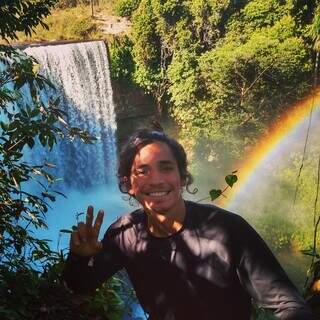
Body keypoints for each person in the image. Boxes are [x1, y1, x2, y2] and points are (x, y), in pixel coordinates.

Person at [62, 129, 318, 320]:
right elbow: (79, 285)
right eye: (143, 171)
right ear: (129, 184)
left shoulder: (226, 230)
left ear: (182, 177)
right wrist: (79, 258)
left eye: (166, 168)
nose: (156, 180)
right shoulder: (125, 233)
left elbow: (288, 304)